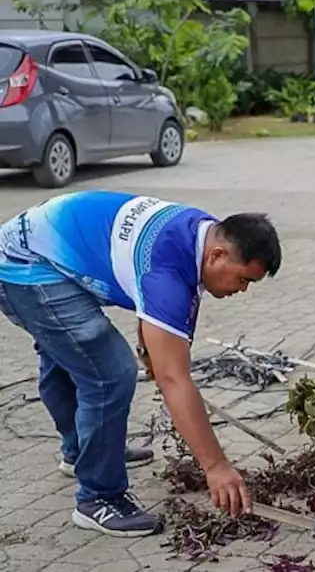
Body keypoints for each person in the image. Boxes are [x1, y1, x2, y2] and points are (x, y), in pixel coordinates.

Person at [0, 191, 281, 537]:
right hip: (27, 264)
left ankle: (82, 453)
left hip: (46, 247)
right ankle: (98, 498)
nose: (243, 290)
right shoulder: (168, 272)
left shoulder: (201, 233)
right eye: (243, 279)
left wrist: (151, 346)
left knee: (69, 354)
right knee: (109, 372)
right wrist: (216, 466)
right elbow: (174, 380)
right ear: (218, 255)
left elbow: (150, 299)